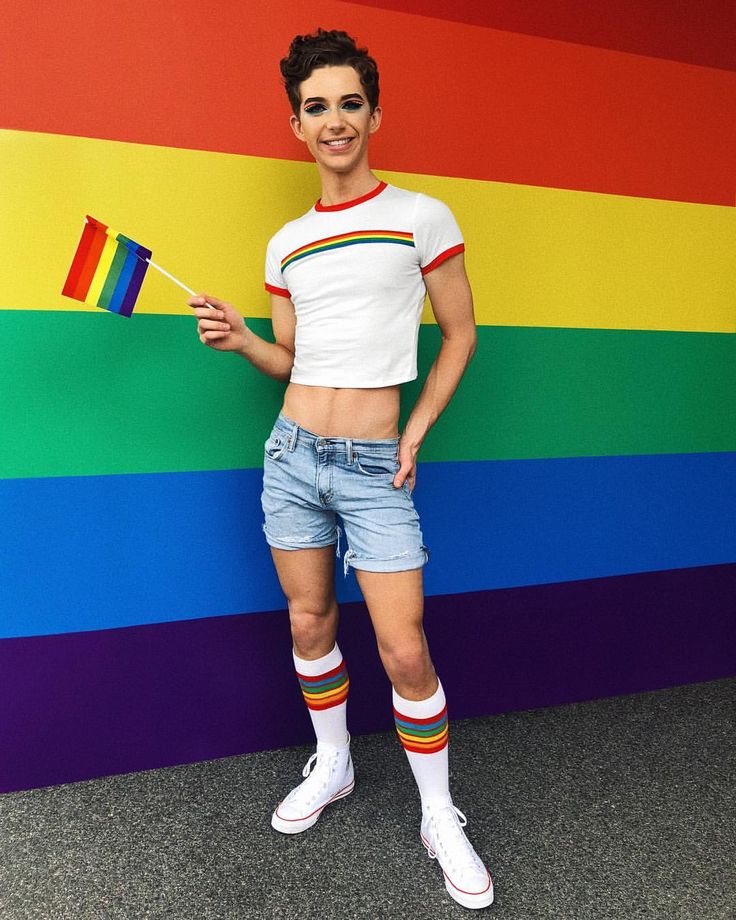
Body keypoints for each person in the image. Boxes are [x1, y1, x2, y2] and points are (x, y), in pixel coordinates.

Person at [187, 28, 493, 910]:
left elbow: (462, 335)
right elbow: (295, 357)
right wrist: (245, 339)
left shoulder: (421, 218)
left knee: (404, 650)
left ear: (374, 113)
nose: (335, 121)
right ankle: (335, 763)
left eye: (349, 103)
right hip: (291, 457)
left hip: (373, 464)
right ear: (296, 124)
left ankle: (440, 814)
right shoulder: (286, 244)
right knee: (310, 621)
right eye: (316, 107)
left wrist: (417, 430)